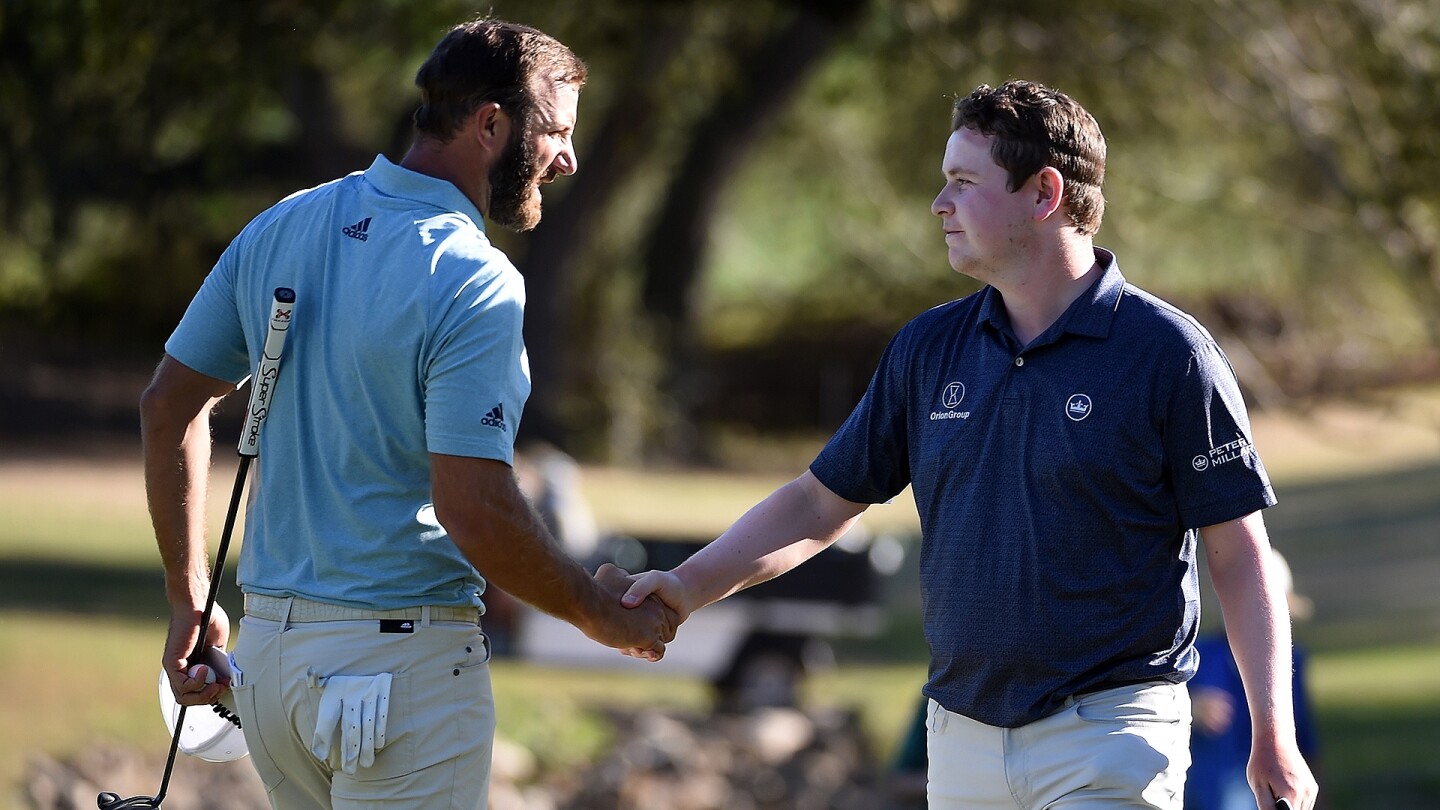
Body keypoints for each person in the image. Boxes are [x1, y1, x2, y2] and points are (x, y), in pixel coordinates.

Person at [621, 80, 1318, 809]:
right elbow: (818, 502)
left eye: (963, 181)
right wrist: (687, 586)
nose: (939, 204)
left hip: (1110, 734)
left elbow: (1239, 553)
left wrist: (1272, 731)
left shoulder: (1168, 353)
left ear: (1044, 193)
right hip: (961, 744)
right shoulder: (929, 349)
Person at [141, 17, 674, 809]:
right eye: (557, 132)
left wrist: (190, 597)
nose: (567, 158)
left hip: (270, 673)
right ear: (490, 124)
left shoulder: (282, 224)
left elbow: (168, 406)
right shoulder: (474, 277)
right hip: (398, 681)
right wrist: (598, 614)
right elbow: (474, 508)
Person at [1186, 550, 1320, 810]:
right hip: (1208, 794)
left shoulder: (1293, 661)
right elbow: (1160, 704)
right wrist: (1192, 706)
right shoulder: (1200, 655)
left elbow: (1305, 735)